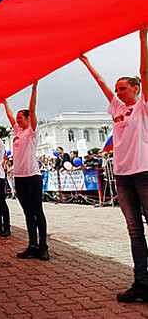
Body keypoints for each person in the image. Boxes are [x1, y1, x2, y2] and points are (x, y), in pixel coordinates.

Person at [79, 29, 148, 302]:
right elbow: (100, 82)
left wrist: (142, 38)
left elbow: (144, 70)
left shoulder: (143, 107)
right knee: (134, 230)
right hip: (122, 176)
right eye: (117, 89)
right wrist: (86, 62)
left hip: (143, 174)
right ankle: (141, 282)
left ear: (136, 89)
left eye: (123, 88)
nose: (118, 92)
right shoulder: (116, 108)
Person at [2, 82, 49, 260]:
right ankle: (32, 245)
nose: (18, 120)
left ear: (29, 119)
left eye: (21, 118)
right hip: (19, 178)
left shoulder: (31, 132)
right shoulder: (16, 131)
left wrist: (34, 88)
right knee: (28, 212)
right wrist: (4, 102)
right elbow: (9, 116)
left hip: (33, 177)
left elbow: (32, 108)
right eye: (18, 118)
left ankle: (43, 246)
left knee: (38, 212)